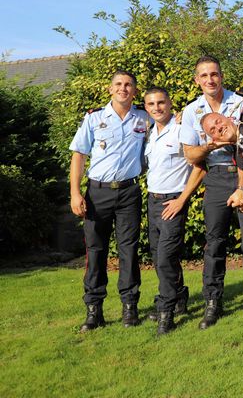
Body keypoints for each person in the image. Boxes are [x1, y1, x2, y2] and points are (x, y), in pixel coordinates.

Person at [70, 70, 149, 332]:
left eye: (128, 85)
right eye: (118, 84)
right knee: (96, 251)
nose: (123, 88)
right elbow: (79, 155)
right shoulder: (94, 119)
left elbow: (167, 127)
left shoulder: (144, 118)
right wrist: (75, 193)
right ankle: (94, 310)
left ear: (135, 91)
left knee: (128, 251)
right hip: (98, 193)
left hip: (129, 193)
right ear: (110, 88)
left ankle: (130, 307)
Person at [179, 56, 243, 330]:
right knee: (215, 243)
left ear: (221, 76)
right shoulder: (191, 111)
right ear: (197, 80)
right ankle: (212, 302)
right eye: (204, 75)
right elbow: (190, 154)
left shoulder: (242, 103)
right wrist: (210, 145)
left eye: (214, 74)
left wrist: (234, 137)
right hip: (216, 177)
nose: (210, 80)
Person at [143, 86, 207, 335]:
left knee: (166, 258)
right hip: (153, 200)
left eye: (161, 102)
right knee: (158, 254)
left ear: (170, 104)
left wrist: (182, 199)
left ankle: (166, 311)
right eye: (151, 104)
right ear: (146, 108)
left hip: (173, 201)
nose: (157, 108)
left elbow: (199, 167)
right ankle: (179, 297)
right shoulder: (148, 132)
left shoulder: (182, 130)